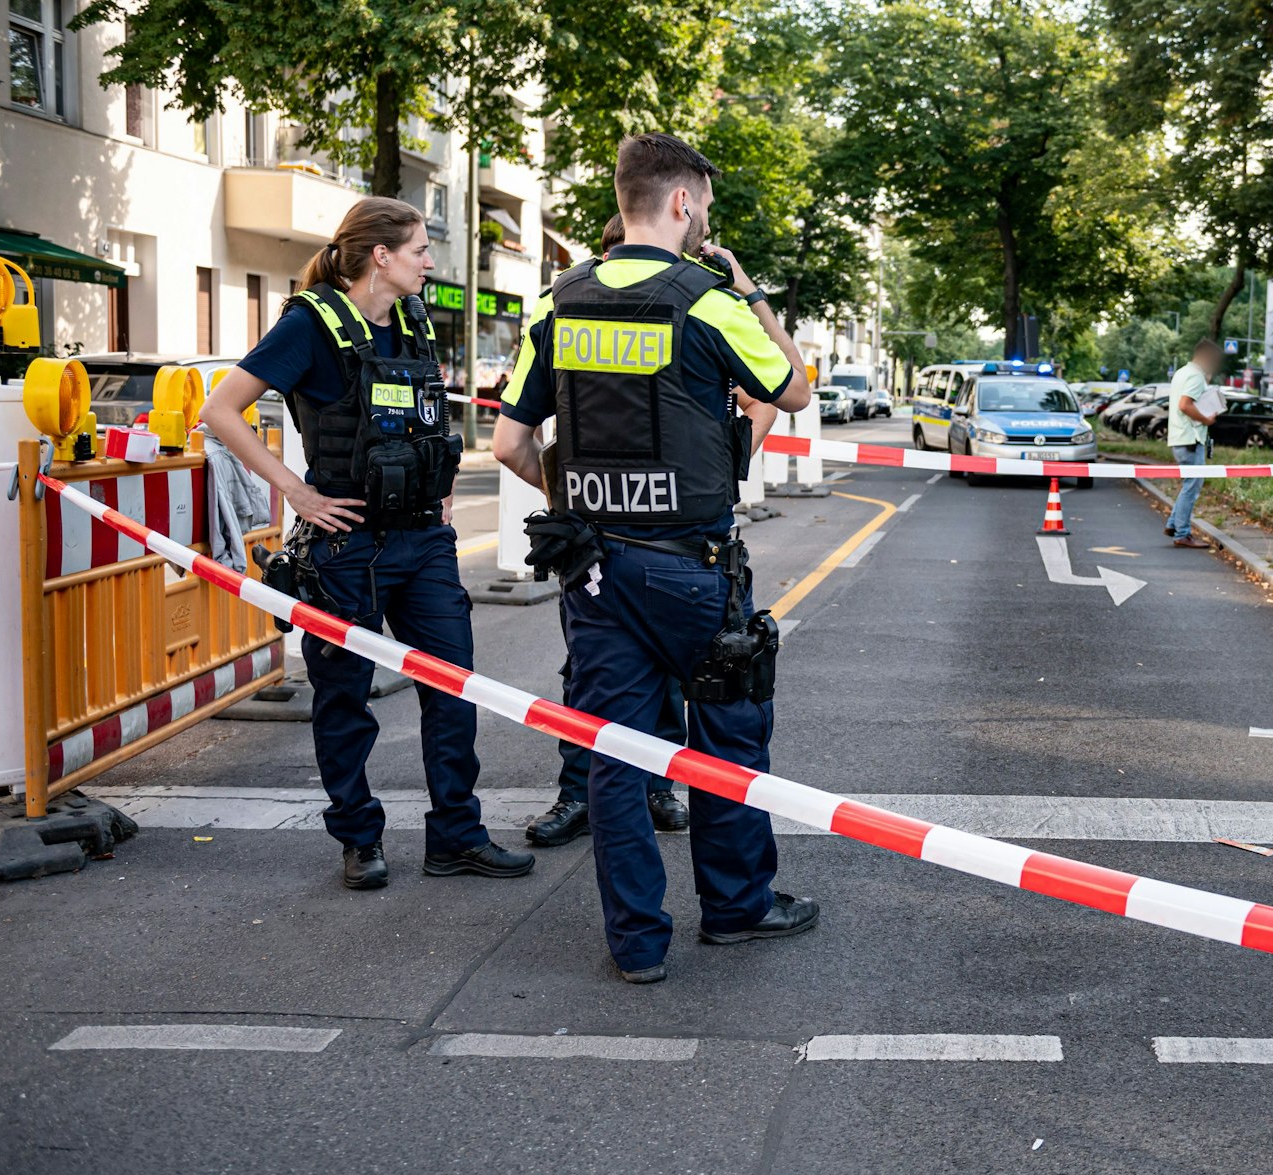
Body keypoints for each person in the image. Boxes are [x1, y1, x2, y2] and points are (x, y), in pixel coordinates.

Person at [493, 133, 815, 984]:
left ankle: (636, 942)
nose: (704, 217)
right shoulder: (708, 302)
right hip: (691, 566)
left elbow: (506, 441)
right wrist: (751, 292)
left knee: (613, 753)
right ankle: (739, 908)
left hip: (595, 570)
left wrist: (571, 501)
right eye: (702, 204)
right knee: (727, 738)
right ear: (681, 204)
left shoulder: (555, 305)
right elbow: (794, 389)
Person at [198, 197, 535, 890]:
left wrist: (440, 485)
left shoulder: (413, 320)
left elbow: (425, 420)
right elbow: (219, 410)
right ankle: (358, 837)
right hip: (346, 546)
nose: (430, 262)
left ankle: (456, 837)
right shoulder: (309, 325)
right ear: (380, 255)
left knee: (453, 688)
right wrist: (296, 491)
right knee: (344, 698)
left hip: (424, 543)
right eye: (420, 250)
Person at [526, 212, 691, 849]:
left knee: (654, 671)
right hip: (611, 535)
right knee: (589, 674)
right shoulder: (572, 309)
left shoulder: (684, 306)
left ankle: (652, 785)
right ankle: (580, 792)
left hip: (649, 533)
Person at [1165, 339, 1224, 549]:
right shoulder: (1195, 376)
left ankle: (1173, 523)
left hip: (1180, 437)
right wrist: (1206, 419)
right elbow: (1185, 405)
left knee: (1188, 485)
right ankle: (1182, 533)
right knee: (1192, 486)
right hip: (1191, 439)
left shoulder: (1182, 372)